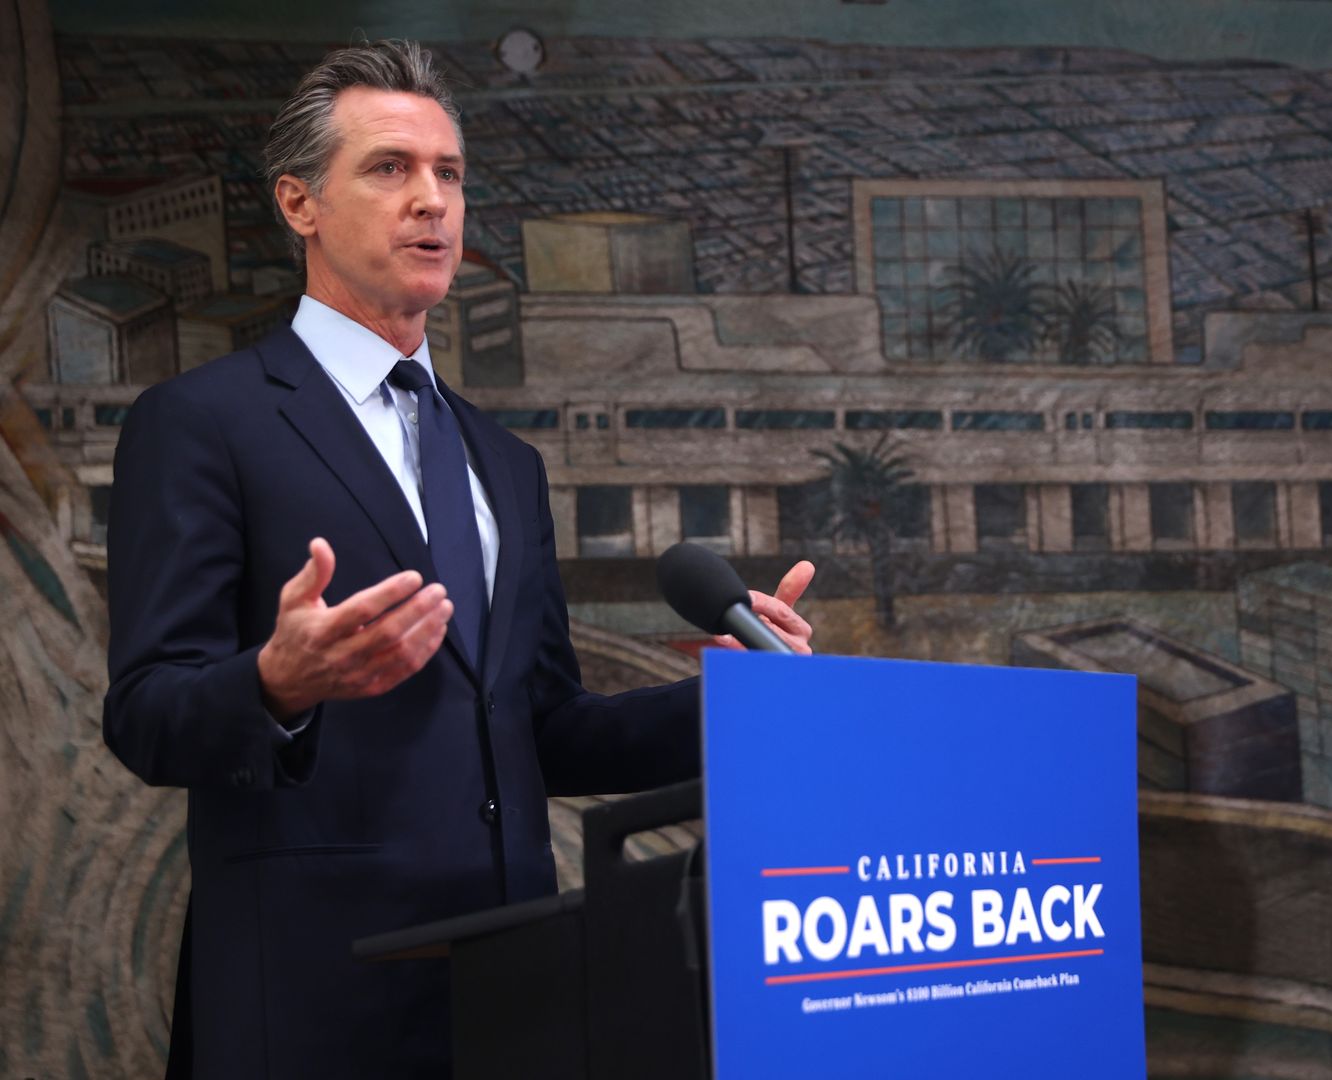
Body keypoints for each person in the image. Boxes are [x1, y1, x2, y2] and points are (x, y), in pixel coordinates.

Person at [102, 39, 814, 1079]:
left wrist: (735, 699)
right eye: (390, 168)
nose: (432, 200)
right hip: (312, 999)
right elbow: (146, 714)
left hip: (514, 986)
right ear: (299, 204)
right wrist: (277, 683)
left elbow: (541, 731)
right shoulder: (201, 423)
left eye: (450, 173)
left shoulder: (504, 462)